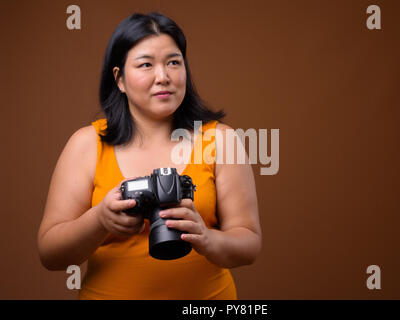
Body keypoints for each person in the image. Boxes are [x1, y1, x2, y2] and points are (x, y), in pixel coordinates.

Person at [37, 12, 261, 299]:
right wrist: (99, 221)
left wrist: (206, 238)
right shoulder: (86, 144)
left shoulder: (220, 139)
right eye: (146, 65)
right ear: (119, 79)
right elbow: (50, 255)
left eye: (174, 63)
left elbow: (249, 245)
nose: (163, 77)